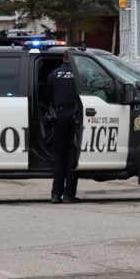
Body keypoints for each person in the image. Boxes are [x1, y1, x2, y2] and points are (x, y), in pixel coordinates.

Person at [47, 50, 81, 204]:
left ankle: (55, 194)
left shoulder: (54, 74)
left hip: (59, 117)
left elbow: (47, 95)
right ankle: (68, 195)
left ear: (63, 58)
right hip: (76, 117)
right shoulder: (80, 75)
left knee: (60, 156)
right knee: (72, 156)